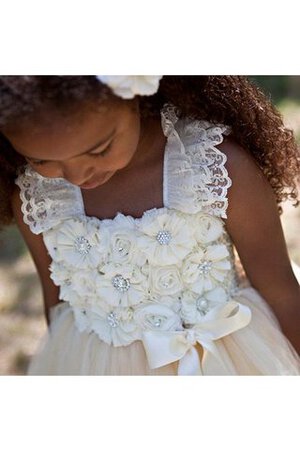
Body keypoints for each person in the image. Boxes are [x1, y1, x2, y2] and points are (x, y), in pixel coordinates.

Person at [0, 75, 299, 375]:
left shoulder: (214, 168)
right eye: (41, 161)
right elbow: (59, 307)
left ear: (137, 99)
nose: (77, 176)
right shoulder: (38, 199)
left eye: (99, 150)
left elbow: (281, 293)